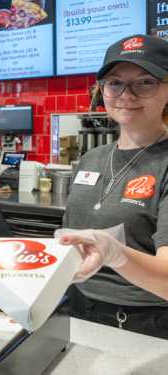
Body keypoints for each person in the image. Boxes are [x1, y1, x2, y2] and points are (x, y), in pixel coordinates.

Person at [57, 34, 168, 339]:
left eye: (145, 82)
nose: (126, 95)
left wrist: (115, 254)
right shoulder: (91, 158)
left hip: (145, 324)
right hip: (77, 309)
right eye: (115, 83)